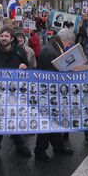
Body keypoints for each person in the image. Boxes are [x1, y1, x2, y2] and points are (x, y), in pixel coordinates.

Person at [0, 27, 30, 165]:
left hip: (15, 93)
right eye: (1, 36)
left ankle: (19, 144)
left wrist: (24, 67)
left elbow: (27, 66)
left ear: (11, 38)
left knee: (15, 119)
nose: (3, 38)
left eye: (6, 36)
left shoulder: (19, 51)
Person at [34, 28, 76, 162]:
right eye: (69, 44)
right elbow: (53, 74)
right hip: (49, 94)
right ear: (64, 40)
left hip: (54, 93)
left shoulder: (54, 47)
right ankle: (40, 150)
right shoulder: (51, 51)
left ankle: (58, 145)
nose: (69, 47)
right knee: (47, 122)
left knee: (56, 120)